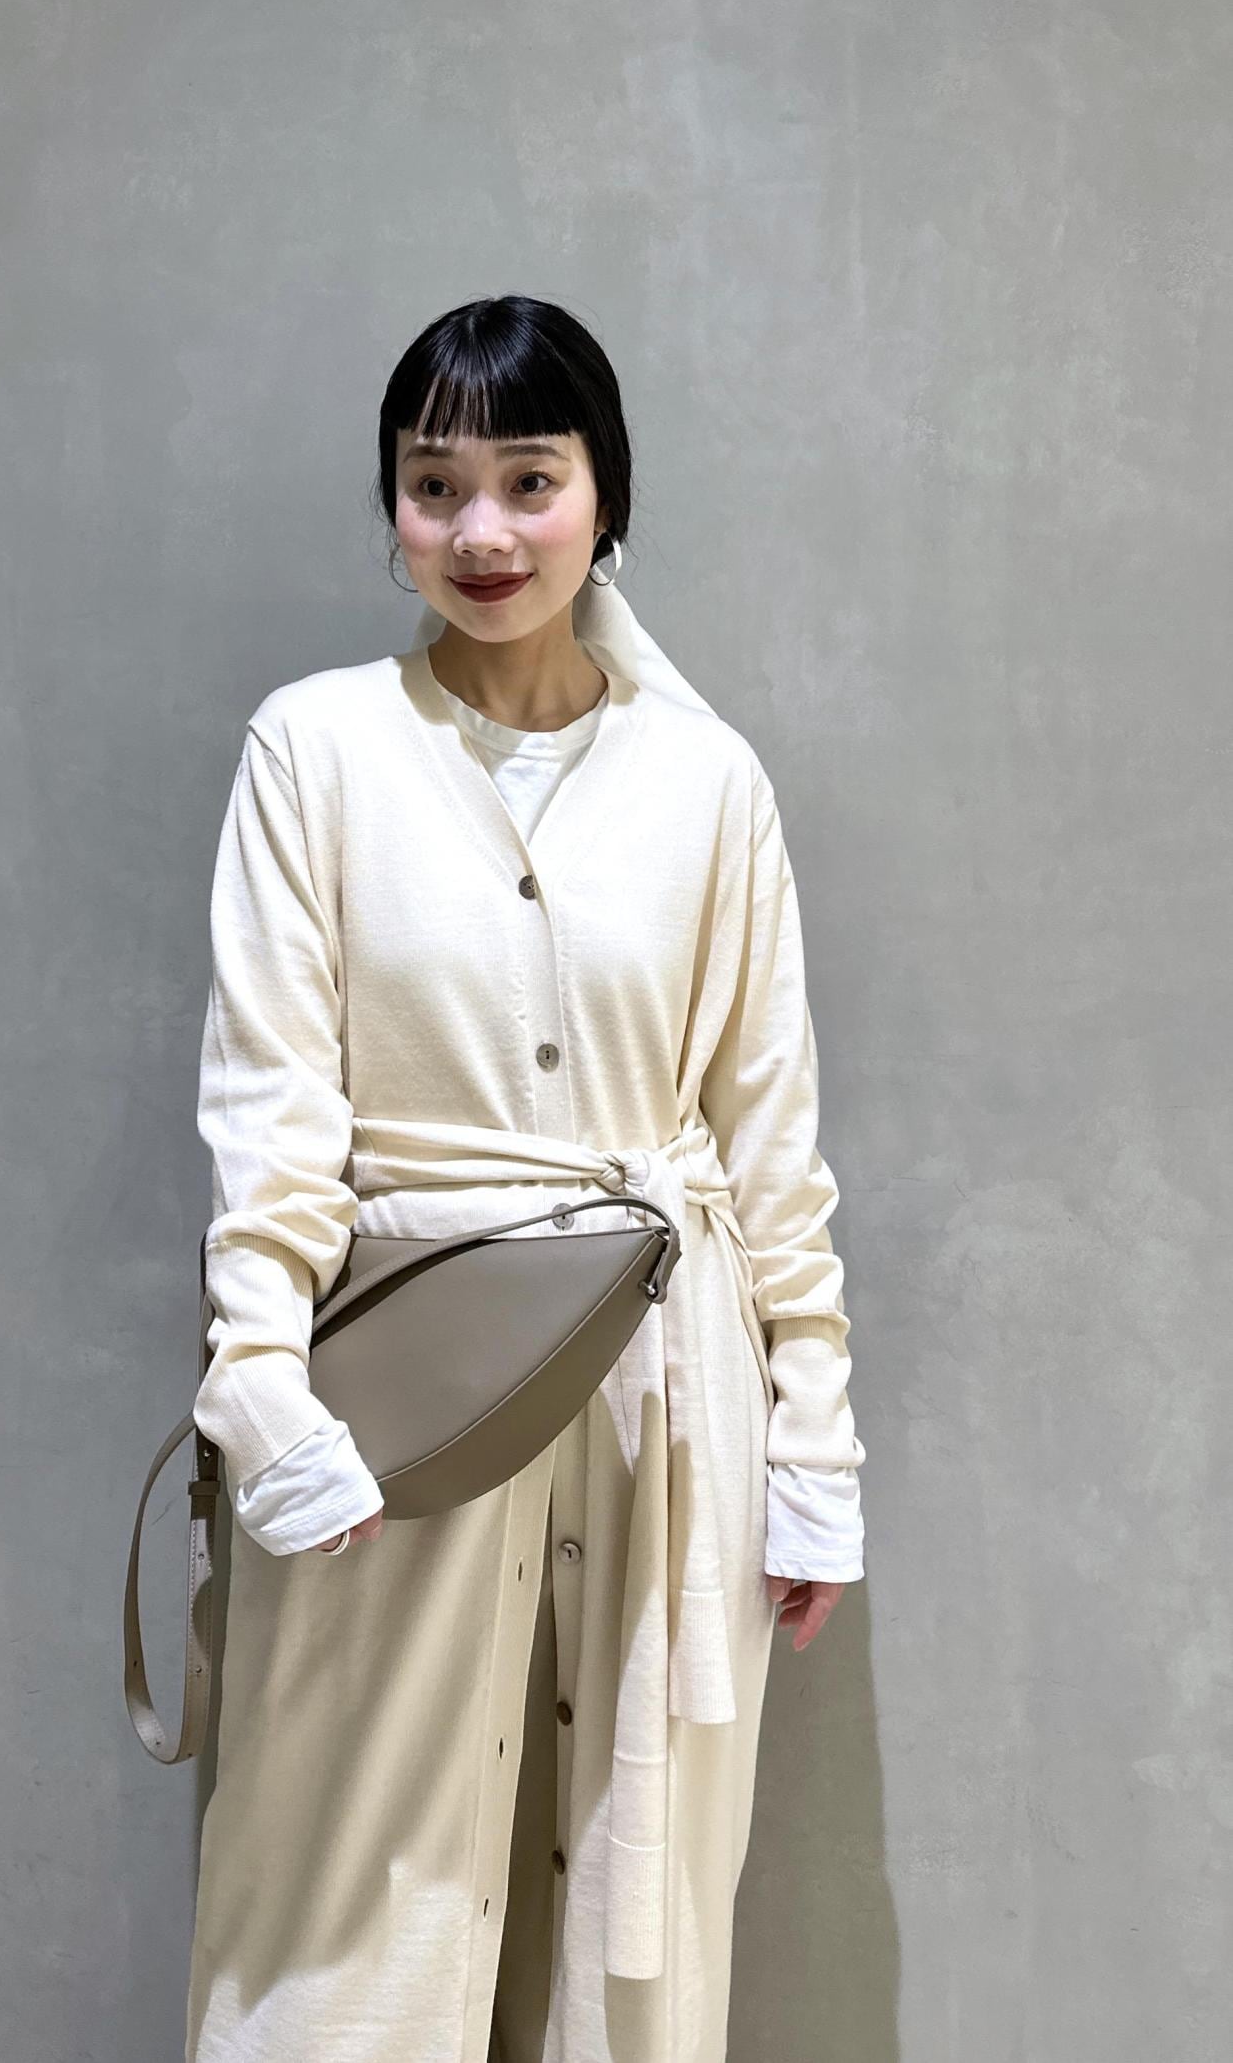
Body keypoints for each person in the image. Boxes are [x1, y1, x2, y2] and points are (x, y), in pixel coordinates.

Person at [183, 294, 867, 2063]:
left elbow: (771, 1135)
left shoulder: (708, 782)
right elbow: (270, 1117)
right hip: (402, 1403)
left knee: (637, 1905)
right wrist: (262, 1393)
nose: (481, 530)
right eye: (435, 484)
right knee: (342, 1907)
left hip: (668, 1399)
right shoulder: (316, 749)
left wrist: (814, 1446)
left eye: (529, 480)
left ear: (604, 494)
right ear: (393, 506)